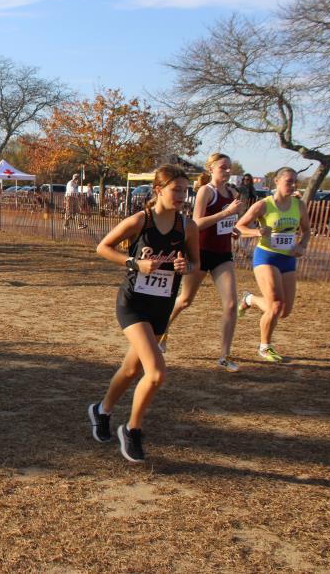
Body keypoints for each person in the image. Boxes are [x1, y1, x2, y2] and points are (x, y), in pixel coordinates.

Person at [89, 164, 198, 463]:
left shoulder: (188, 227)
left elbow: (196, 264)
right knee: (157, 373)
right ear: (159, 190)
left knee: (131, 370)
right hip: (133, 303)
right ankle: (132, 430)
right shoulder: (141, 220)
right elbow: (103, 247)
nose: (182, 195)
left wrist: (185, 267)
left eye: (185, 190)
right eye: (176, 189)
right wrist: (135, 263)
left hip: (161, 306)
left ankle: (101, 410)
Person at [161, 153, 244, 371]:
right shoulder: (206, 191)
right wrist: (226, 213)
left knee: (231, 304)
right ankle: (162, 331)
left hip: (223, 254)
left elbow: (224, 222)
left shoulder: (232, 193)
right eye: (223, 167)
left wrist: (232, 228)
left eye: (230, 167)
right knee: (185, 300)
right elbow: (196, 223)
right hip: (200, 252)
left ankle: (224, 355)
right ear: (211, 169)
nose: (228, 171)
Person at [235, 167, 311, 363]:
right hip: (266, 257)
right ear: (277, 181)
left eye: (295, 181)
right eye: (289, 181)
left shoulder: (299, 205)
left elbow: (306, 231)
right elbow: (239, 226)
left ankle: (249, 299)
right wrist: (257, 232)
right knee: (276, 304)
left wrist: (302, 245)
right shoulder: (263, 205)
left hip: (288, 259)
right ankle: (265, 346)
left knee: (283, 311)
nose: (293, 185)